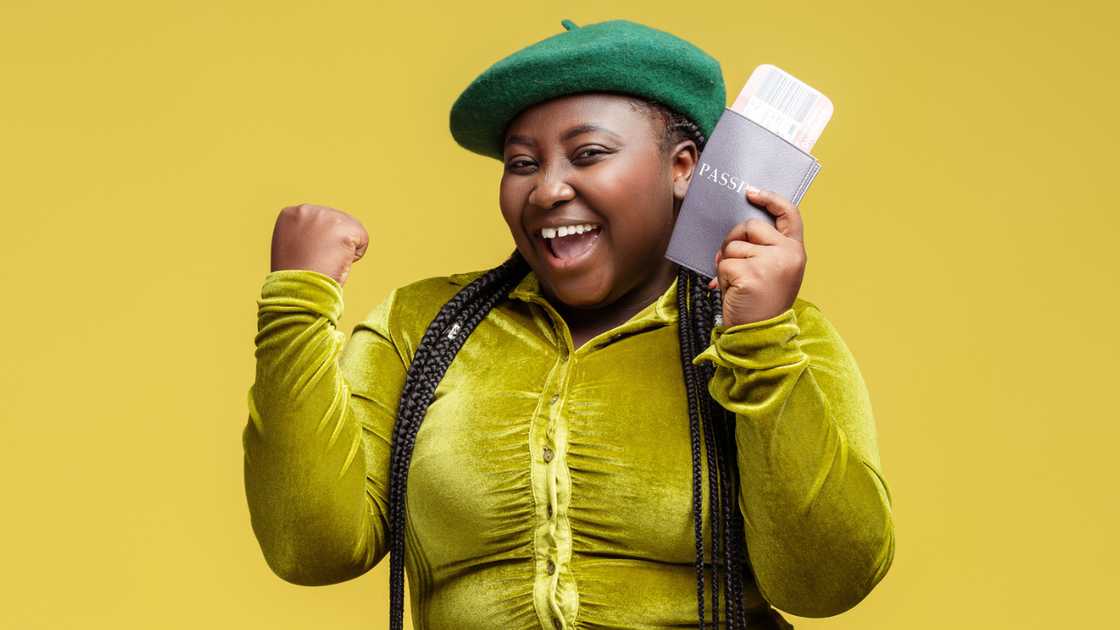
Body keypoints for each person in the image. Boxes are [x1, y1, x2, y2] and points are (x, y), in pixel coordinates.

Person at [243, 18, 895, 630]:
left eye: (587, 154)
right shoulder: (424, 327)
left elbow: (828, 582)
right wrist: (296, 304)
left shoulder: (776, 332)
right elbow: (310, 547)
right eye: (523, 163)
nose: (548, 189)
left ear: (684, 168)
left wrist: (759, 341)